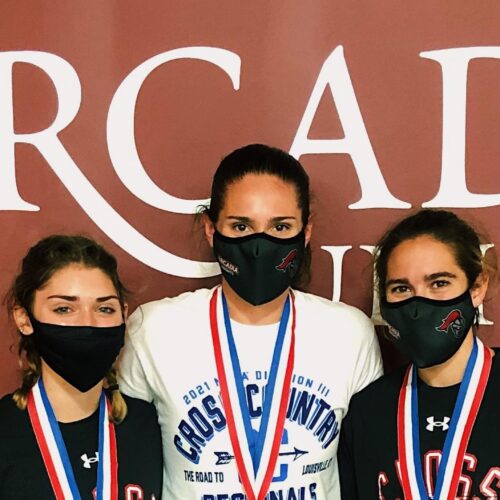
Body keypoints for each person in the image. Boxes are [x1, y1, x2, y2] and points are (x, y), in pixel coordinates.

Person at [118, 143, 382, 499]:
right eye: (241, 226)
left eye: (281, 226)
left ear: (306, 232)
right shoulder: (153, 328)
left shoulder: (349, 332)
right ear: (211, 229)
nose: (260, 244)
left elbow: (365, 467)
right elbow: (131, 464)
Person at [338, 209, 500, 499]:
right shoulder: (368, 412)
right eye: (401, 288)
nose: (417, 305)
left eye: (439, 283)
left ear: (476, 287)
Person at [0, 235, 163, 499]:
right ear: (24, 318)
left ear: (123, 313)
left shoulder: (147, 423)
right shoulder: (6, 432)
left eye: (104, 309)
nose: (87, 323)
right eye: (64, 309)